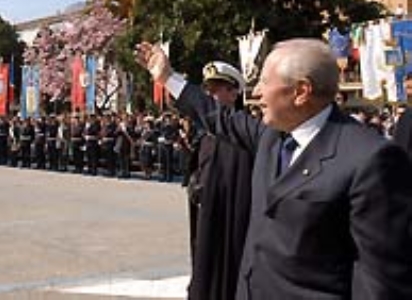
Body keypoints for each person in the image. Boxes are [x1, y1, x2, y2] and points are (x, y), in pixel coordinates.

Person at [135, 38, 412, 300]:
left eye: (265, 82)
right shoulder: (272, 137)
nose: (256, 92)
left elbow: (381, 280)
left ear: (301, 92)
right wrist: (167, 77)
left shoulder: (370, 159)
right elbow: (217, 116)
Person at [182, 60, 257, 300]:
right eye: (208, 90)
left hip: (230, 225)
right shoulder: (207, 134)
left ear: (234, 92)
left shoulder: (243, 135)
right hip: (206, 218)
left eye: (217, 89)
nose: (210, 95)